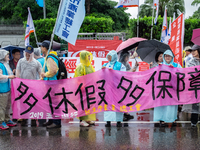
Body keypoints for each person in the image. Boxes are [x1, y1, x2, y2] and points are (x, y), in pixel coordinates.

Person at [153, 50, 182, 127]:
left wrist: (174, 71)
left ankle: (172, 119)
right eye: (166, 56)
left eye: (169, 56)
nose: (167, 57)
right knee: (162, 105)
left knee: (171, 106)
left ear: (172, 57)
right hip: (162, 89)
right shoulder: (159, 65)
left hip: (172, 89)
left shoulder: (176, 65)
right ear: (163, 57)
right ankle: (161, 119)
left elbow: (182, 75)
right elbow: (154, 77)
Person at [16, 45, 42, 126]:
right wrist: (18, 81)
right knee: (23, 100)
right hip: (22, 84)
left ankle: (33, 115)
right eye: (26, 53)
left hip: (33, 85)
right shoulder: (21, 61)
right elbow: (18, 72)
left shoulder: (36, 62)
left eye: (29, 54)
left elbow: (41, 73)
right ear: (24, 52)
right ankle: (22, 115)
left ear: (32, 53)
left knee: (32, 100)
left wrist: (40, 80)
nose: (27, 55)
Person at [40, 40, 61, 129]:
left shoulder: (50, 57)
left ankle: (56, 122)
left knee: (54, 103)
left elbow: (53, 71)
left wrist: (45, 74)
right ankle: (52, 120)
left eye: (41, 46)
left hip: (52, 83)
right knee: (50, 103)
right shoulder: (51, 56)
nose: (40, 48)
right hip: (51, 83)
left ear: (45, 48)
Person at [102, 50, 126, 127]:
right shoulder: (105, 65)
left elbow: (124, 75)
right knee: (108, 104)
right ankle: (108, 121)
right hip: (108, 88)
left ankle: (118, 120)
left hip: (118, 88)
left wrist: (114, 72)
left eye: (110, 56)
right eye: (108, 56)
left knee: (118, 104)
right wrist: (102, 70)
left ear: (114, 57)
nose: (109, 58)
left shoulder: (120, 65)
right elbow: (101, 76)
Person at [74, 51, 96, 127]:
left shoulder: (89, 66)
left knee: (88, 104)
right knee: (83, 104)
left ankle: (87, 119)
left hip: (89, 89)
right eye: (87, 56)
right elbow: (78, 77)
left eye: (89, 56)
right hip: (82, 89)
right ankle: (82, 120)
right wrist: (82, 86)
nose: (89, 57)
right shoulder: (80, 66)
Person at [182, 45, 200, 127]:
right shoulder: (190, 61)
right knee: (195, 104)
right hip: (195, 85)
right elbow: (189, 72)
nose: (192, 52)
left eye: (194, 51)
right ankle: (194, 121)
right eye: (192, 51)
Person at [119, 52, 139, 121]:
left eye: (128, 57)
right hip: (120, 84)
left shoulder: (126, 64)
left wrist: (135, 66)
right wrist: (131, 70)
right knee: (122, 99)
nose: (127, 58)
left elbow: (130, 72)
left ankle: (125, 112)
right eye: (126, 57)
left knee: (125, 99)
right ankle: (124, 113)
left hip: (126, 84)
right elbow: (123, 73)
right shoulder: (120, 64)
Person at [0, 49, 17, 129]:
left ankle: (7, 119)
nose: (9, 58)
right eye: (7, 56)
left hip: (7, 88)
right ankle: (1, 121)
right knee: (2, 106)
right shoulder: (0, 65)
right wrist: (9, 76)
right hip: (2, 89)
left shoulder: (6, 64)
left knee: (7, 106)